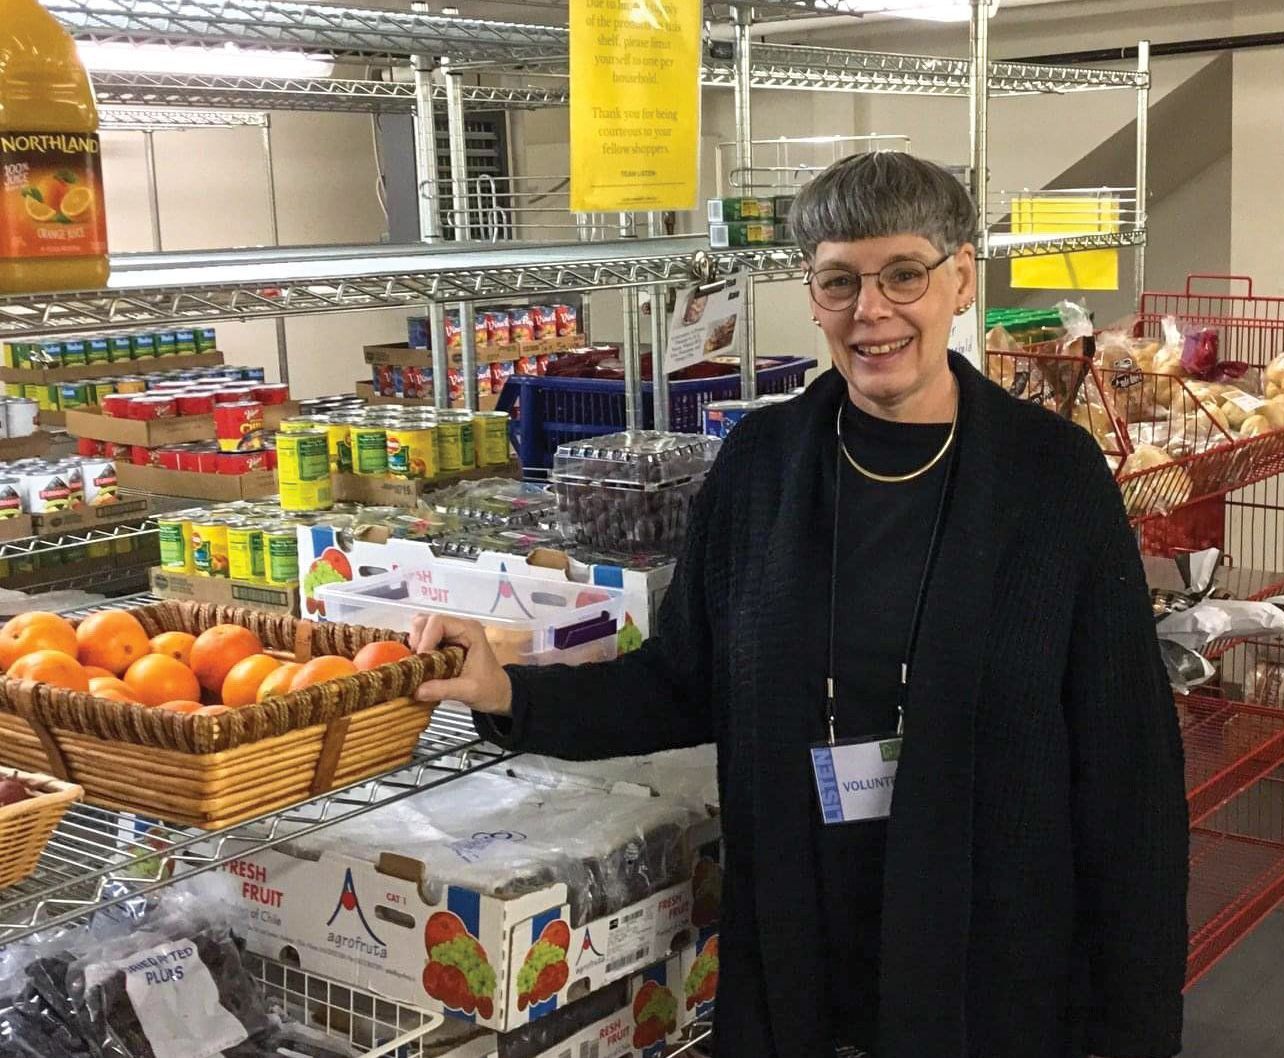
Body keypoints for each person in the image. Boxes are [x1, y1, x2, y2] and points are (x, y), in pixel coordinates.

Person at [412, 151, 1188, 1058]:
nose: (873, 311)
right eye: (839, 281)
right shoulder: (761, 467)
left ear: (962, 280)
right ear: (813, 298)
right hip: (798, 934)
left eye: (904, 273)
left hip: (990, 958)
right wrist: (511, 691)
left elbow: (1127, 768)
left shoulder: (1052, 479)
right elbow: (683, 679)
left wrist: (1134, 1025)